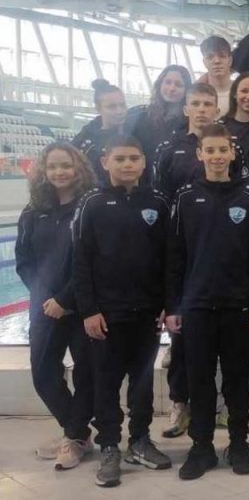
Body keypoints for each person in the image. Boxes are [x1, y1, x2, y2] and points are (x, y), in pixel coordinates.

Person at [165, 123, 249, 480]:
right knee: (200, 379)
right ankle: (202, 446)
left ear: (232, 152)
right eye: (210, 150)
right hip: (196, 305)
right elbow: (175, 256)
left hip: (237, 305)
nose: (217, 156)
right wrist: (173, 306)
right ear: (200, 154)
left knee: (238, 379)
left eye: (223, 149)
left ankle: (238, 443)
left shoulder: (248, 196)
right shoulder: (185, 197)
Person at [73, 136, 172, 487]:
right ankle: (109, 446)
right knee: (107, 383)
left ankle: (140, 440)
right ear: (105, 162)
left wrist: (168, 303)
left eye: (133, 158)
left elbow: (168, 259)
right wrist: (89, 310)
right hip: (107, 314)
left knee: (142, 384)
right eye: (120, 158)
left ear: (144, 163)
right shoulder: (92, 203)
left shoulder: (158, 202)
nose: (127, 164)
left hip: (147, 312)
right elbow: (80, 261)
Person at [16, 143, 96, 470]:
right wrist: (46, 296)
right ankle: (78, 432)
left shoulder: (90, 207)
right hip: (45, 307)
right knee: (43, 374)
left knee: (88, 373)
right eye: (53, 167)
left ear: (78, 168)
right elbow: (24, 261)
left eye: (66, 165)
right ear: (43, 171)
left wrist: (65, 299)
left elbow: (95, 260)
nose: (60, 172)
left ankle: (73, 437)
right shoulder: (33, 211)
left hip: (82, 305)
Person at [154, 83, 239, 198]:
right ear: (185, 110)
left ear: (217, 111)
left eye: (207, 104)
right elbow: (160, 195)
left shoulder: (231, 148)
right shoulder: (168, 148)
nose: (201, 109)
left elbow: (241, 190)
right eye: (195, 104)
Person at [129, 65, 192, 165]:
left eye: (178, 85)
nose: (172, 88)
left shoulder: (189, 123)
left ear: (186, 91)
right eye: (168, 82)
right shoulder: (141, 118)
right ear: (159, 85)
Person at [73, 79, 128, 185]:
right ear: (98, 109)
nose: (119, 111)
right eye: (112, 107)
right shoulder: (87, 139)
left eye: (122, 105)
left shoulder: (136, 132)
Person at [198, 36, 233, 116]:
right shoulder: (195, 96)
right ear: (204, 62)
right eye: (210, 57)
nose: (217, 61)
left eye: (222, 56)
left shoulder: (242, 93)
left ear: (230, 60)